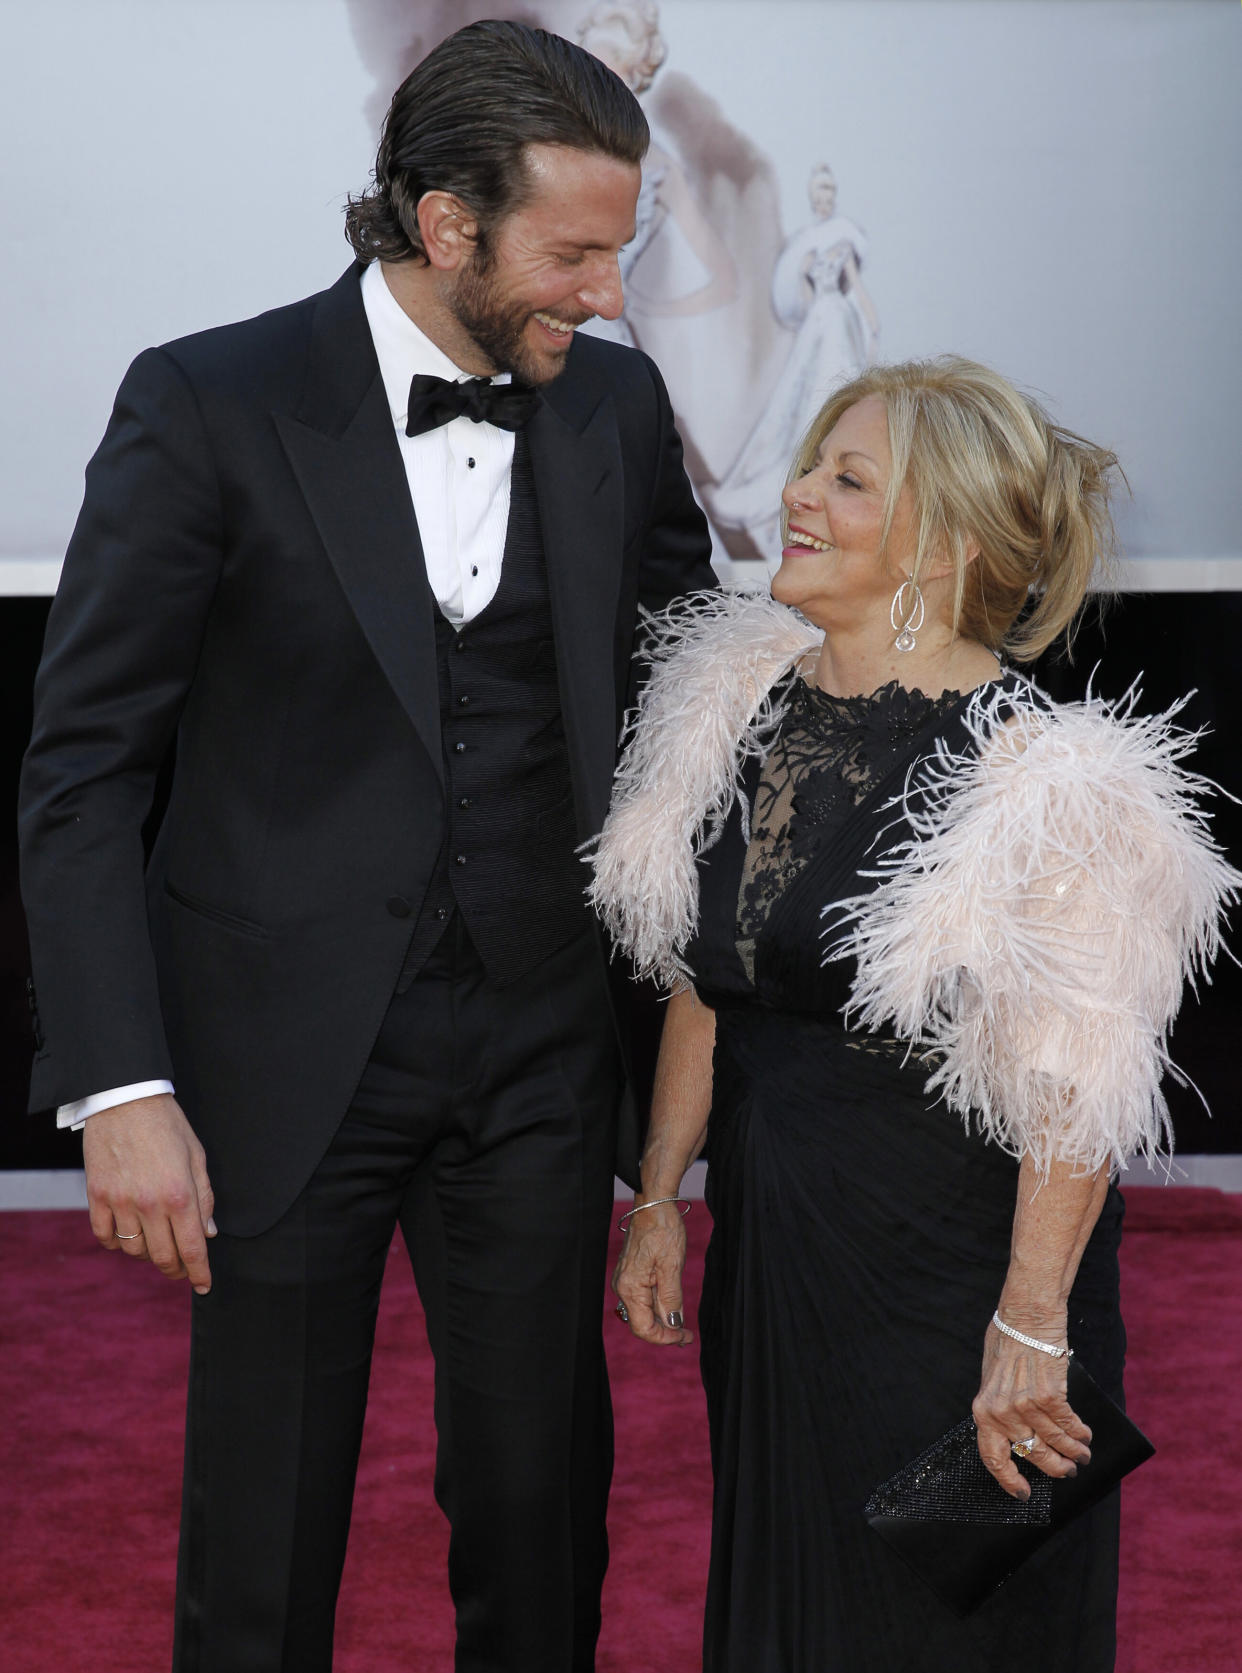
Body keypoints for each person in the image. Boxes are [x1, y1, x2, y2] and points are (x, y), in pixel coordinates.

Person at [19, 20, 714, 1673]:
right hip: (280, 1057)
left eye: (624, 252)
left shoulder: (614, 406)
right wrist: (123, 1088)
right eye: (575, 254)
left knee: (543, 1508)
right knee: (261, 1533)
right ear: (443, 223)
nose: (607, 294)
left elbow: (693, 685)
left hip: (541, 1045)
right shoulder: (209, 399)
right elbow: (83, 768)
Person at [590, 356, 1237, 1671]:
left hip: (953, 1285)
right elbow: (709, 983)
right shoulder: (738, 712)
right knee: (792, 1603)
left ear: (938, 547)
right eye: (811, 464)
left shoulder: (1043, 779)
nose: (798, 494)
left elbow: (1076, 1091)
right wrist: (657, 1191)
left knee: (940, 1628)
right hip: (780, 1263)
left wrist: (1029, 1328)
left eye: (847, 476)